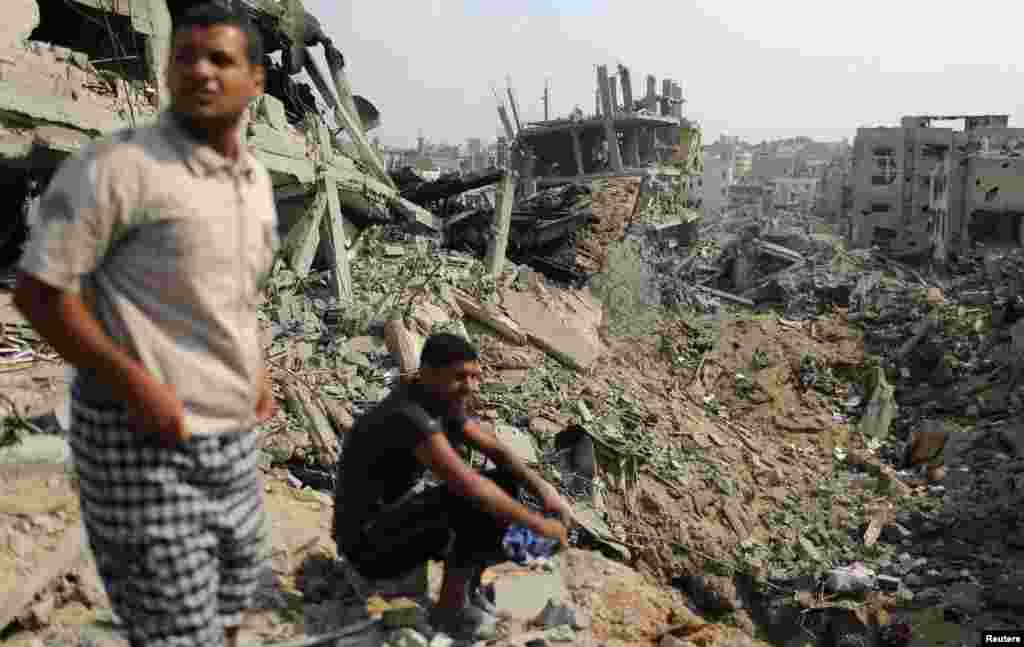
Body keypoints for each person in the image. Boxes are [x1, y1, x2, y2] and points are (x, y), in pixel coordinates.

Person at [13, 4, 277, 646]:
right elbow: (40, 292)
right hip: (140, 438)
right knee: (174, 631)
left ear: (255, 81)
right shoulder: (116, 168)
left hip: (232, 439)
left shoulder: (254, 180)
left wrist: (257, 369)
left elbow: (234, 292)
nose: (201, 72)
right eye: (185, 57)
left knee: (234, 598)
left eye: (220, 59)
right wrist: (135, 385)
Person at [333, 333, 572, 640]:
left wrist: (545, 491)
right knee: (472, 501)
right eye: (460, 376)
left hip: (389, 523)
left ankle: (469, 587)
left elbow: (496, 450)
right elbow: (468, 484)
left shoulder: (438, 400)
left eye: (475, 377)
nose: (470, 386)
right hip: (365, 548)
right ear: (428, 372)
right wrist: (539, 525)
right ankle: (451, 610)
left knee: (505, 482)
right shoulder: (407, 415)